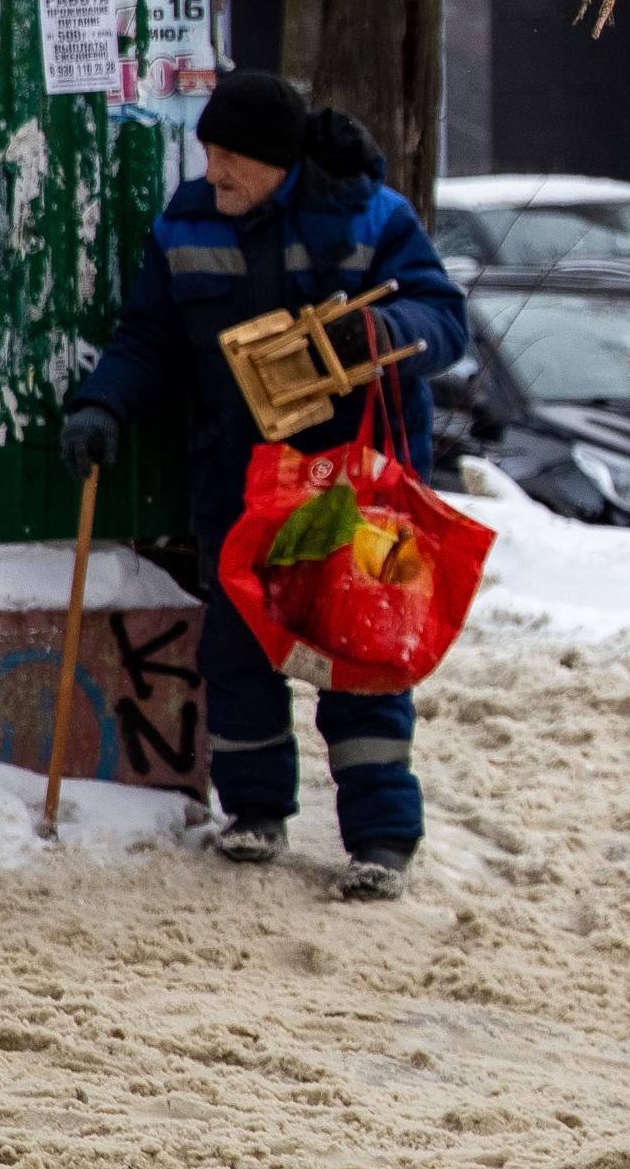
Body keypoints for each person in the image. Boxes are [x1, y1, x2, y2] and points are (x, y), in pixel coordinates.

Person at [60, 72, 469, 902]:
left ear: (278, 162)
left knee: (361, 651)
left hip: (360, 480)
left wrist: (381, 331)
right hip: (243, 478)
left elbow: (445, 320)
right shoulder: (186, 220)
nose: (215, 172)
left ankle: (382, 836)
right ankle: (254, 813)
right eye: (209, 152)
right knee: (237, 651)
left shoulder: (371, 217)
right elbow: (151, 336)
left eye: (231, 158)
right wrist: (103, 403)